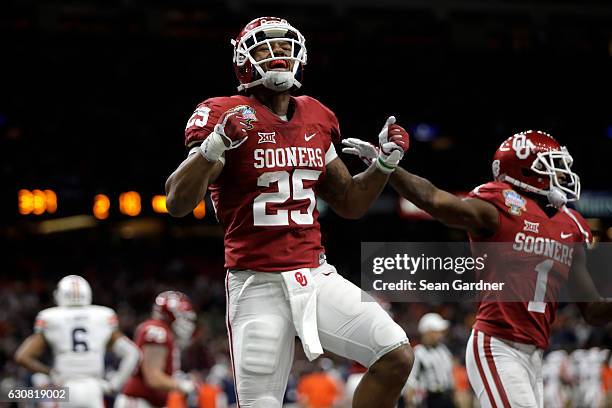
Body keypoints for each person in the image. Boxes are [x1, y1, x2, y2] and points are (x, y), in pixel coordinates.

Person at [165, 16, 414, 408]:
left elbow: (349, 202)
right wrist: (214, 145)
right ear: (244, 60)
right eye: (265, 47)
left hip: (315, 275)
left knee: (395, 354)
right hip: (256, 284)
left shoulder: (317, 115)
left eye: (284, 47)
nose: (278, 54)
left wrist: (383, 165)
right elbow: (178, 202)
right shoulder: (223, 113)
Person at [342, 130, 612, 407]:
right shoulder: (500, 204)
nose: (563, 173)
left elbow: (591, 310)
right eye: (551, 165)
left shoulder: (571, 224)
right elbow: (434, 199)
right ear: (525, 170)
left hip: (535, 354)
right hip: (498, 345)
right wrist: (388, 167)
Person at [14, 275, 140, 408]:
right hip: (94, 387)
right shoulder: (103, 316)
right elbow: (132, 353)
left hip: (66, 386)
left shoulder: (50, 317)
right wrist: (114, 384)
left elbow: (22, 356)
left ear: (60, 294)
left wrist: (50, 372)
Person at [116, 291, 198, 408]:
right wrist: (181, 385)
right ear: (169, 314)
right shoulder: (158, 332)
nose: (187, 323)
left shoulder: (165, 334)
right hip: (138, 402)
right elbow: (153, 377)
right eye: (183, 317)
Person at [404, 313, 455, 408]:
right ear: (427, 332)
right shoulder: (419, 352)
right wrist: (410, 403)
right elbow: (412, 380)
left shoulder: (443, 350)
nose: (440, 335)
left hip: (447, 398)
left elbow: (450, 375)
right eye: (436, 331)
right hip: (431, 399)